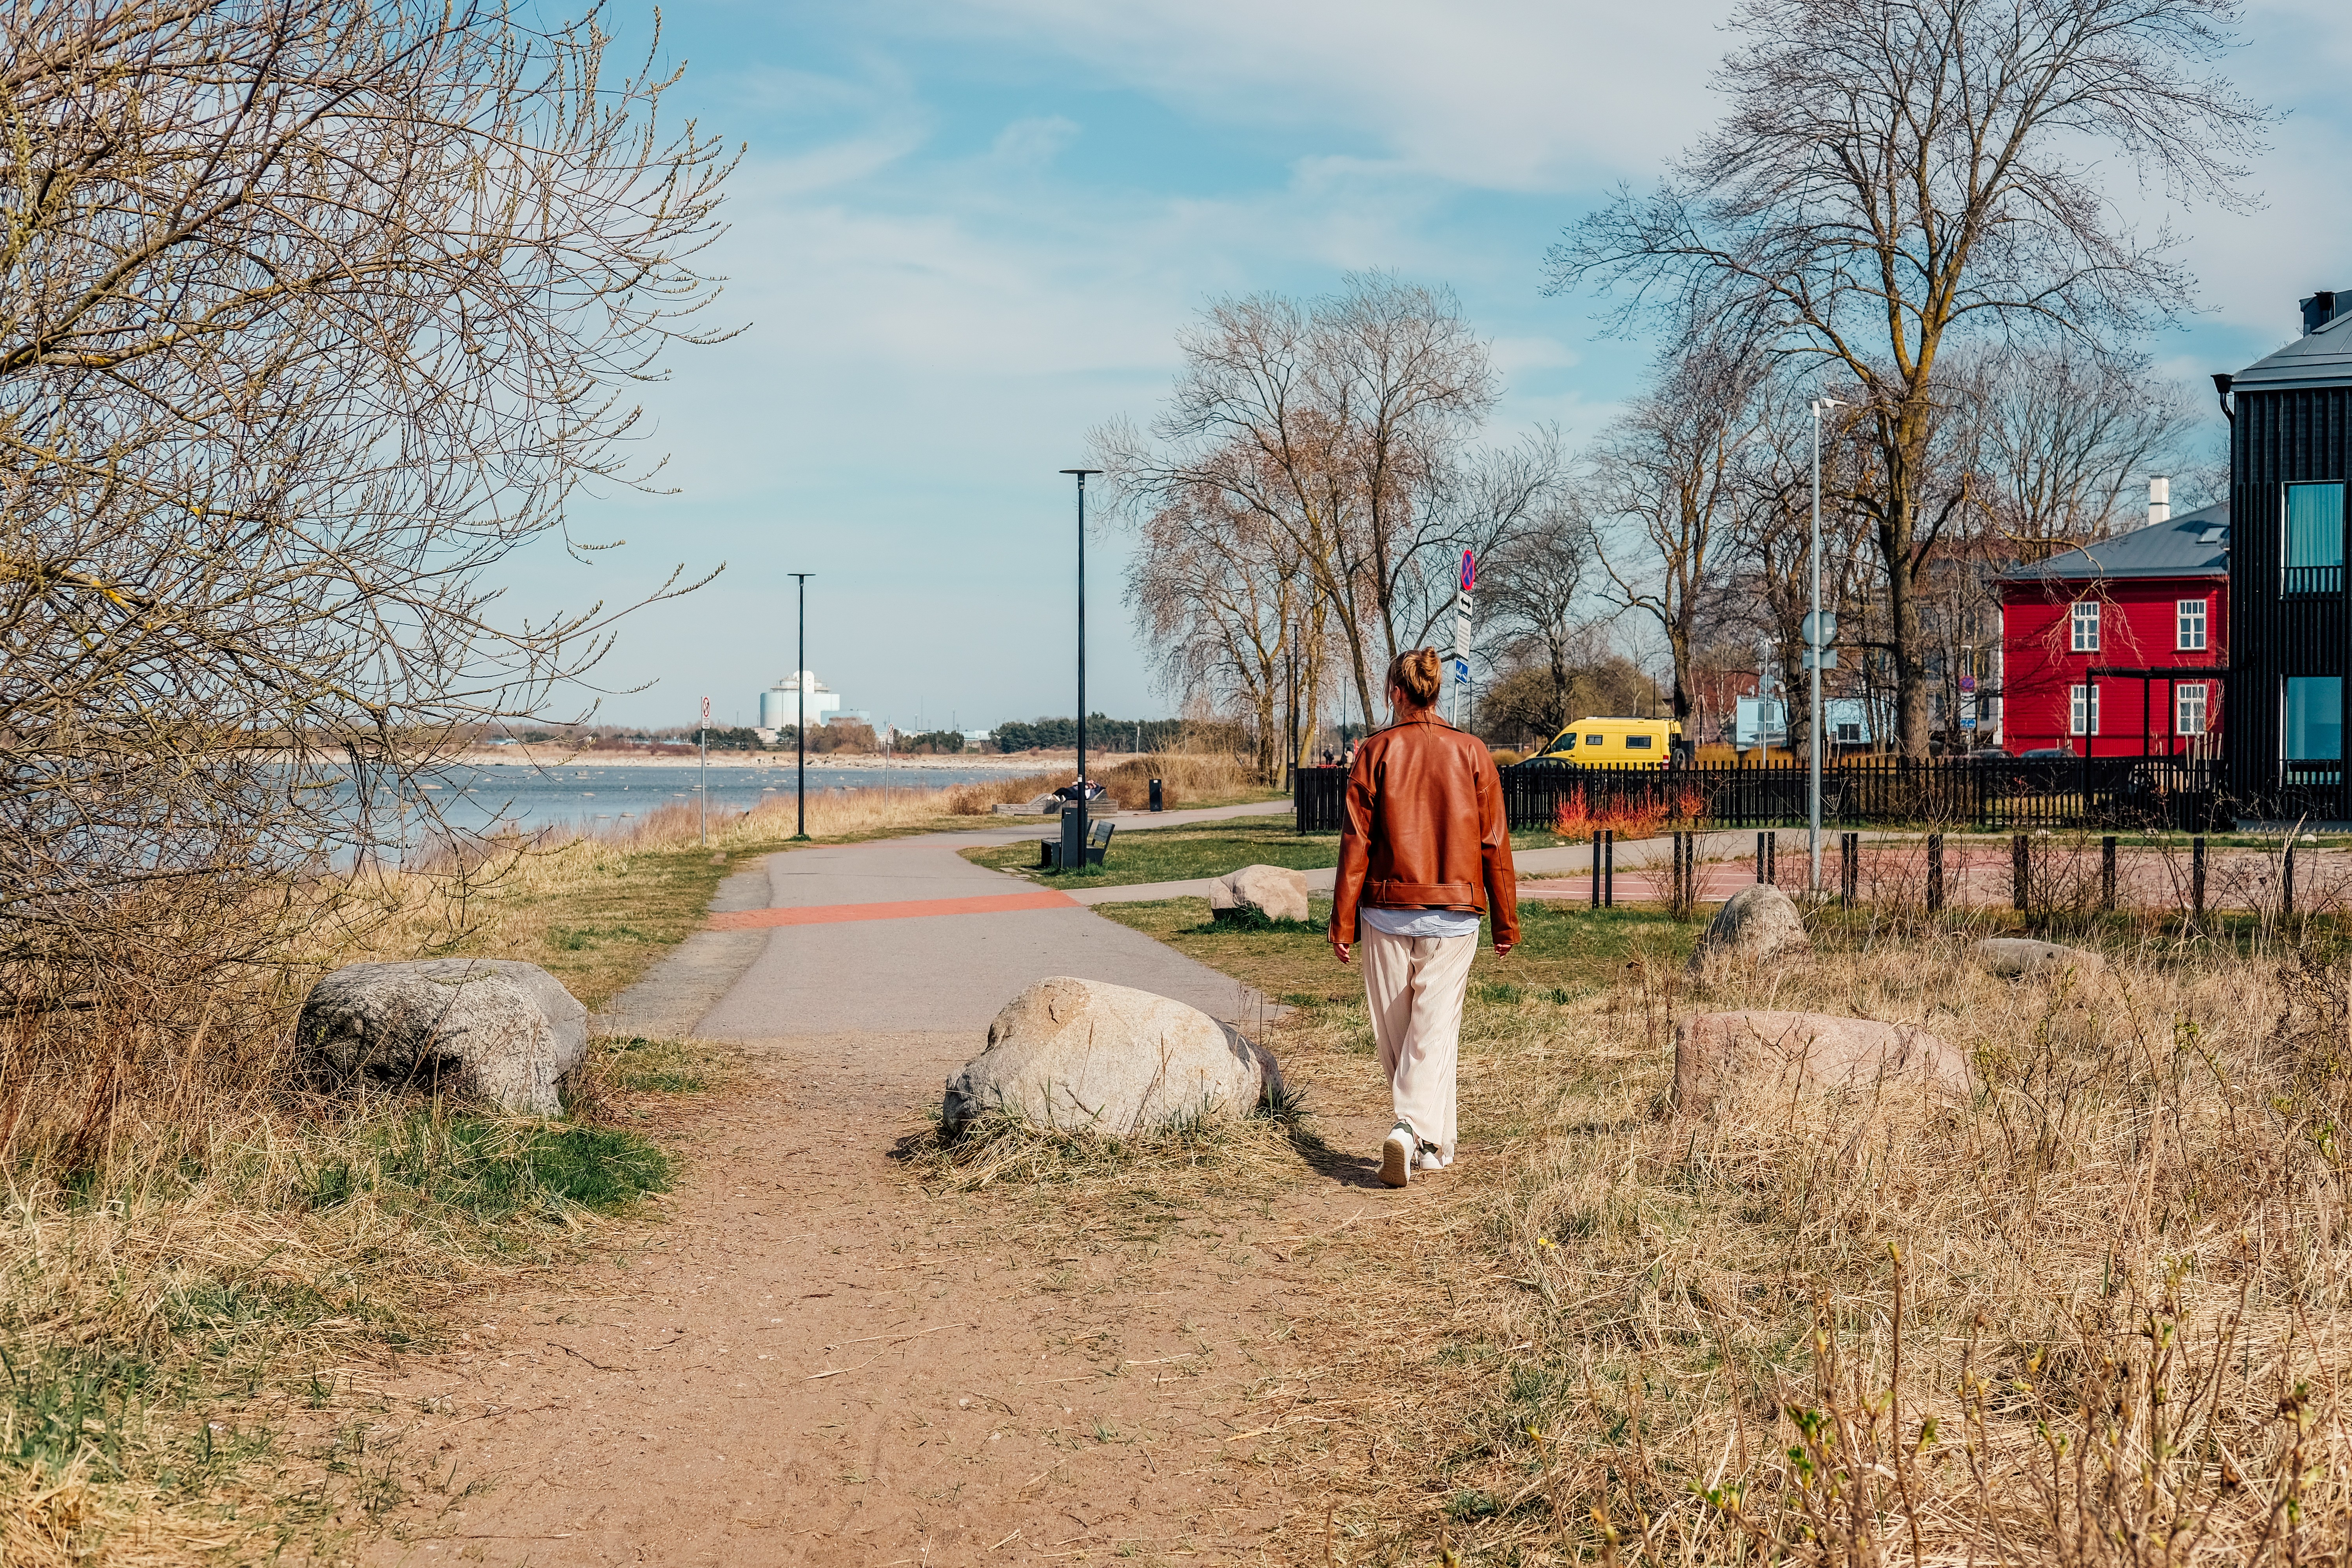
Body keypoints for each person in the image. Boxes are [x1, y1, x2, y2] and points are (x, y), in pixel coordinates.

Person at [1329, 648, 1518, 1188]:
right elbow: (1494, 843)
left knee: (1402, 1042)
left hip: (1386, 913)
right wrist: (1505, 921)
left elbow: (1356, 843)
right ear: (1432, 690)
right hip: (1456, 915)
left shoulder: (1375, 751)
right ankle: (1432, 1143)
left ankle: (1409, 1129)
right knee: (1432, 1034)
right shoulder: (1474, 752)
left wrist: (1343, 921)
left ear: (1397, 693)